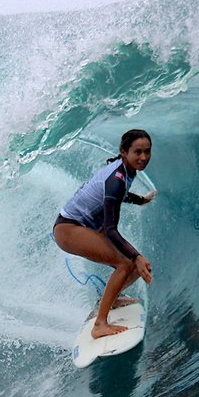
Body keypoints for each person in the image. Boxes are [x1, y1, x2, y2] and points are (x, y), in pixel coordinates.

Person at [54, 129, 156, 338]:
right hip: (69, 228)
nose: (144, 157)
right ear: (124, 152)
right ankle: (100, 324)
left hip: (85, 225)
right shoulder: (116, 178)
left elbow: (117, 195)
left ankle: (112, 300)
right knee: (127, 263)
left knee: (135, 266)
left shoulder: (125, 170)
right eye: (138, 152)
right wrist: (137, 256)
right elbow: (110, 229)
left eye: (147, 151)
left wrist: (140, 200)